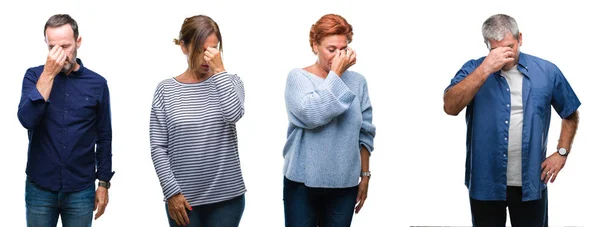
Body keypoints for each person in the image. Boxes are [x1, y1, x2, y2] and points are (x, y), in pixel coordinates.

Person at [443, 14, 580, 227]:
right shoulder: (474, 69)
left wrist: (562, 152)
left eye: (510, 46)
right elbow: (450, 107)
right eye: (496, 50)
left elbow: (570, 112)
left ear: (520, 39)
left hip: (531, 183)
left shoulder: (547, 71)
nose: (505, 55)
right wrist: (486, 68)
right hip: (485, 182)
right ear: (487, 46)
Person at [17, 14, 114, 227]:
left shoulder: (97, 84)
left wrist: (104, 183)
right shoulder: (34, 77)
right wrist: (48, 75)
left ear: (78, 42)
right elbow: (27, 120)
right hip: (40, 187)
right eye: (52, 46)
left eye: (65, 46)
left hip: (80, 189)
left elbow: (104, 137)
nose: (59, 54)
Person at [150, 15, 246, 227]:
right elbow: (158, 147)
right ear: (184, 47)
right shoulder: (165, 90)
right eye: (201, 50)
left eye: (214, 49)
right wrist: (171, 191)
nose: (207, 58)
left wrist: (219, 71)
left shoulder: (230, 82)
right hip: (183, 201)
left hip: (227, 199)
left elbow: (233, 114)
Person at [282, 13, 376, 227]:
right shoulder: (297, 78)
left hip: (344, 184)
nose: (337, 56)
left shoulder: (358, 82)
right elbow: (312, 115)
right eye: (331, 49)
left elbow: (366, 132)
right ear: (315, 45)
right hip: (301, 184)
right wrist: (336, 75)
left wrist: (365, 174)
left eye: (343, 49)